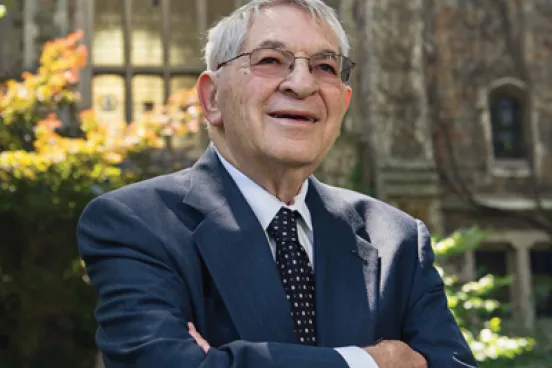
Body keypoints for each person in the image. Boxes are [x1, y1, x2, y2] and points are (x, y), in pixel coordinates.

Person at [76, 0, 478, 367]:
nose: (302, 84)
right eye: (270, 59)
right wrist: (371, 363)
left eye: (325, 67)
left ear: (343, 103)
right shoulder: (137, 224)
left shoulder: (396, 238)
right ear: (212, 97)